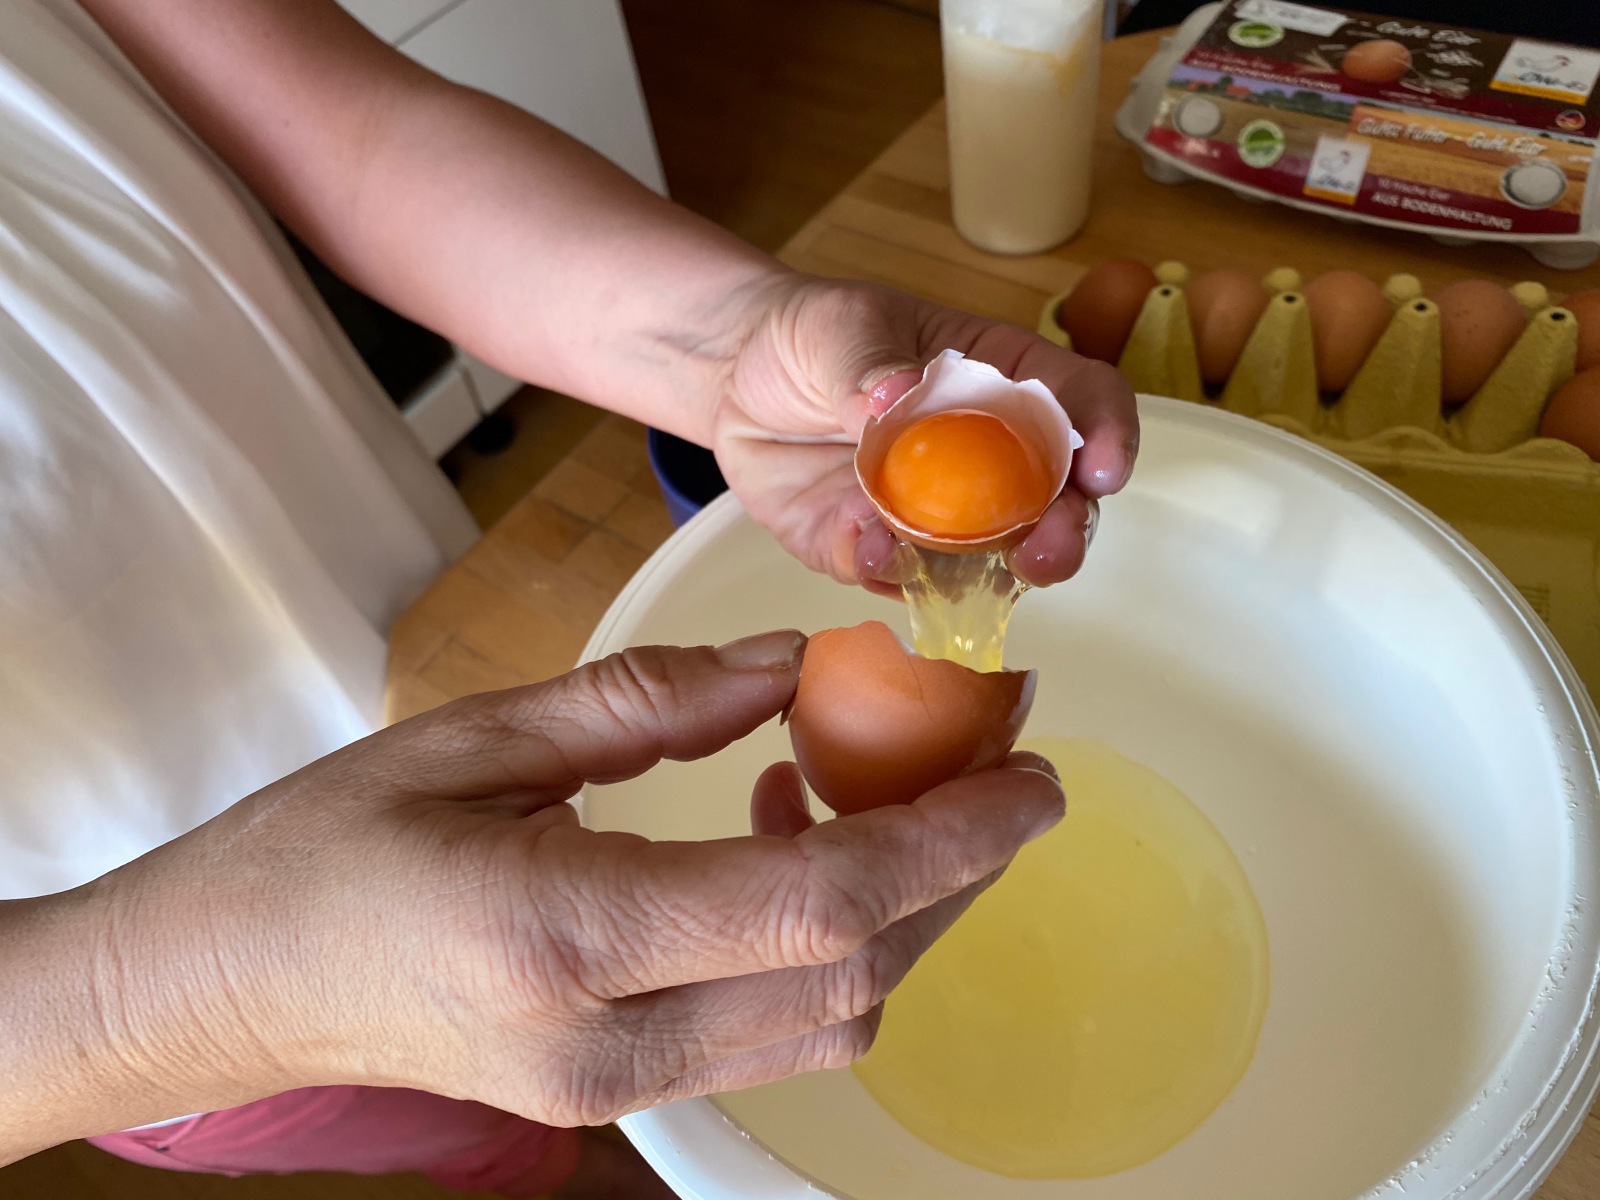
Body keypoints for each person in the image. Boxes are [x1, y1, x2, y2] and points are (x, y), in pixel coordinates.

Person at [0, 0, 1138, 1195]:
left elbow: (356, 138)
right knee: (501, 1137)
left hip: (417, 652)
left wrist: (726, 347)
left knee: (596, 1034)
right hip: (129, 1004)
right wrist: (191, 998)